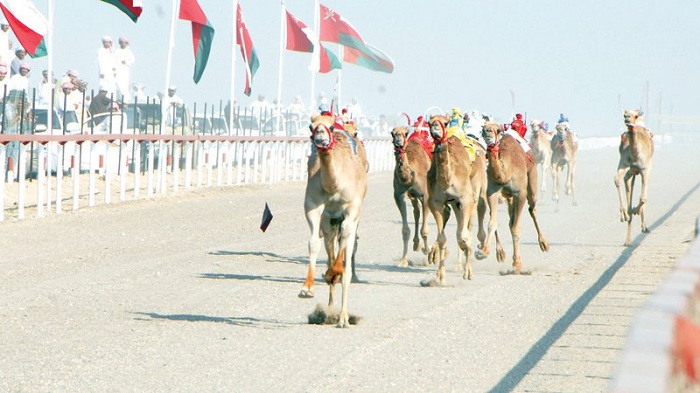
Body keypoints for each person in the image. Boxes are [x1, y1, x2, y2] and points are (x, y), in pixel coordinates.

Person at [114, 37, 135, 103]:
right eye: (122, 43)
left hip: (125, 71)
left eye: (125, 43)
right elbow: (113, 60)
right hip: (117, 70)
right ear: (120, 43)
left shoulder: (128, 51)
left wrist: (126, 62)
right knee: (117, 84)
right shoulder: (116, 51)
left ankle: (125, 99)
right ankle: (118, 98)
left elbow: (132, 60)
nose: (123, 44)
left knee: (124, 85)